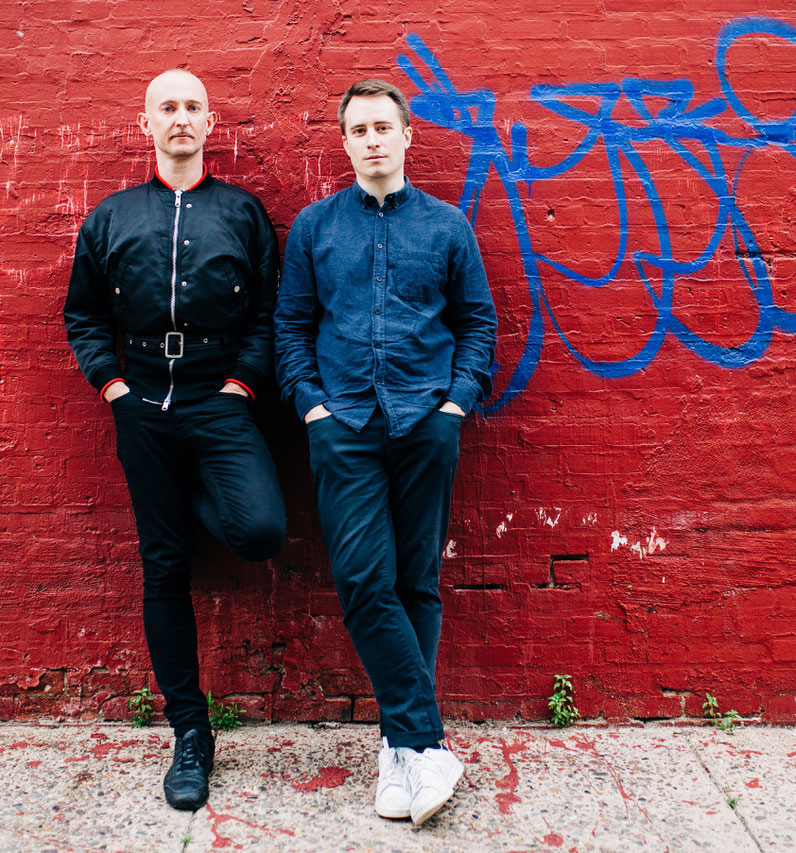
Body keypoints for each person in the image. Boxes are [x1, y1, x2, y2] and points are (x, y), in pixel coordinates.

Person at [274, 79, 497, 826]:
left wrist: (455, 405)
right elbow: (291, 327)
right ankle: (427, 741)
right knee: (367, 581)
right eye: (358, 129)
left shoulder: (447, 227)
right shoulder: (313, 228)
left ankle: (396, 753)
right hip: (345, 429)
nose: (372, 139)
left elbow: (478, 323)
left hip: (426, 423)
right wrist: (313, 409)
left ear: (407, 137)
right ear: (344, 143)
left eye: (383, 127)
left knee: (417, 583)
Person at [64, 69, 286, 811]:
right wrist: (113, 387)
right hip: (142, 406)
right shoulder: (113, 217)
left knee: (258, 529)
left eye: (193, 107)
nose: (181, 118)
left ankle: (196, 489)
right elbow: (84, 315)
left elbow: (268, 314)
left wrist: (240, 383)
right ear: (146, 122)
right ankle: (191, 732)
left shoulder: (244, 213)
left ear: (211, 121)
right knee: (164, 568)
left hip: (219, 399)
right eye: (169, 108)